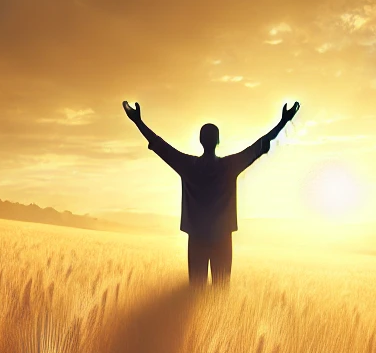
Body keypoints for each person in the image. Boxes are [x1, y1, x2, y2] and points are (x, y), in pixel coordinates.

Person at [124, 100, 299, 285]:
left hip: (197, 238)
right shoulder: (229, 166)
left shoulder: (188, 166)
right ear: (218, 141)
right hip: (223, 238)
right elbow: (261, 144)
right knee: (221, 292)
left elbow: (159, 145)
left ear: (200, 141)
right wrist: (283, 122)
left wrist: (138, 121)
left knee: (196, 290)